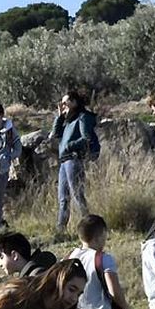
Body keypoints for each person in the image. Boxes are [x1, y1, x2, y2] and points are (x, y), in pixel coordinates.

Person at [55, 89, 99, 229]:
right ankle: (61, 228)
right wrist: (60, 117)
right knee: (63, 198)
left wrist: (70, 145)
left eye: (65, 102)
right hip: (64, 161)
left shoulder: (82, 117)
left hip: (73, 159)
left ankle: (89, 227)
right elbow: (56, 133)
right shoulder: (69, 119)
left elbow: (86, 138)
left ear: (74, 102)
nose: (63, 105)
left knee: (77, 195)